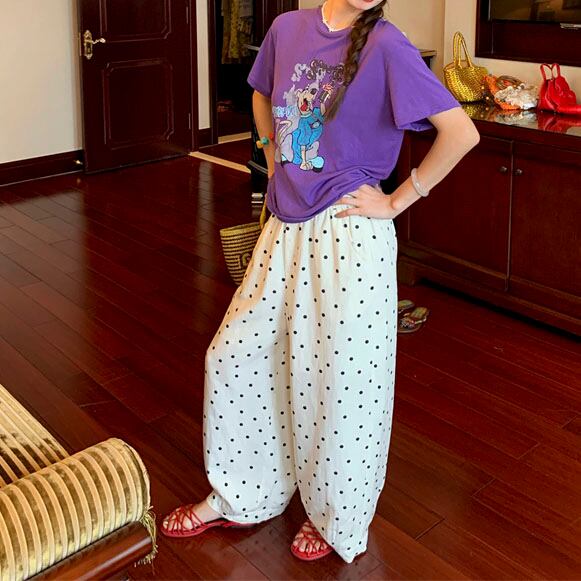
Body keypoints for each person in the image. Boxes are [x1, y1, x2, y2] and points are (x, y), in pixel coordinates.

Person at [161, 0, 480, 564]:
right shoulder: (288, 28)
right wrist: (270, 154)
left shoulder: (387, 44)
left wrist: (397, 200)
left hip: (349, 235)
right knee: (236, 357)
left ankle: (335, 515)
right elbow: (262, 94)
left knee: (341, 385)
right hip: (284, 227)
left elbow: (461, 133)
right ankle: (243, 494)